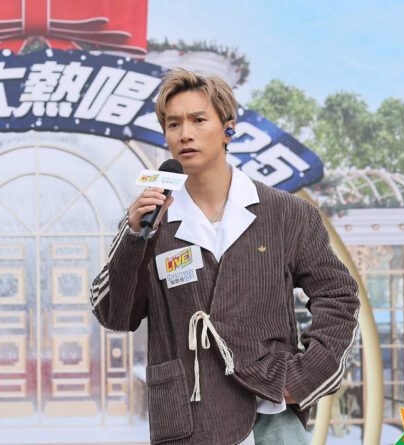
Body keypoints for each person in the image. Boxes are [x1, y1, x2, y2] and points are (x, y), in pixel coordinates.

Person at [89, 68, 360, 445]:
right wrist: (135, 237)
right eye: (173, 124)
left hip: (271, 415)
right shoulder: (150, 221)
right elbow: (114, 314)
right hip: (188, 418)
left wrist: (304, 378)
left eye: (198, 120)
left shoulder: (287, 214)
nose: (185, 134)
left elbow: (338, 295)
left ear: (228, 129)